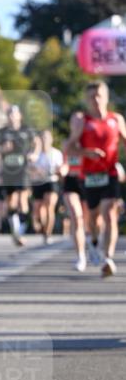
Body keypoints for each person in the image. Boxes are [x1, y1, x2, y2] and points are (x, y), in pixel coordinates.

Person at [69, 81, 126, 277]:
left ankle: (108, 258)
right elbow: (68, 147)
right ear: (87, 99)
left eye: (99, 95)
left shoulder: (116, 119)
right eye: (92, 96)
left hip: (110, 173)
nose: (96, 100)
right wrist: (86, 152)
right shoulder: (81, 120)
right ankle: (93, 241)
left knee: (110, 213)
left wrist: (121, 167)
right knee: (93, 218)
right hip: (90, 176)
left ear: (106, 97)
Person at [0, 104, 36, 247]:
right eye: (9, 113)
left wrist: (34, 154)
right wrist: (2, 149)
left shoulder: (26, 130)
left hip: (22, 171)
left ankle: (21, 229)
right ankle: (16, 231)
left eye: (14, 113)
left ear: (19, 116)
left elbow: (37, 143)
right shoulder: (2, 132)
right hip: (8, 171)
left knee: (23, 201)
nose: (11, 116)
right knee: (11, 202)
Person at [29, 129, 63, 245]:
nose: (45, 140)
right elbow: (30, 167)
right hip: (38, 183)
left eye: (47, 138)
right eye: (42, 138)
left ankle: (48, 233)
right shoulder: (36, 154)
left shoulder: (56, 153)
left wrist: (56, 172)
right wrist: (38, 171)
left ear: (51, 139)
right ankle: (43, 228)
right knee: (38, 209)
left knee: (49, 206)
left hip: (51, 182)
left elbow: (60, 168)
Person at [61, 125, 87, 271]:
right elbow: (65, 162)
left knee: (90, 222)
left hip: (88, 181)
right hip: (71, 182)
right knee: (76, 217)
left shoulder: (89, 141)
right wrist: (63, 169)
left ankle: (93, 245)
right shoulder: (67, 143)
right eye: (74, 123)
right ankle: (81, 256)